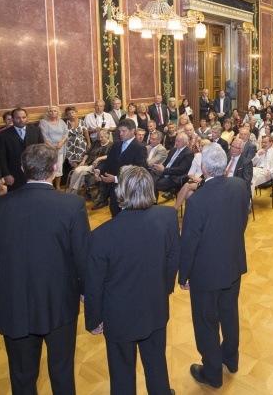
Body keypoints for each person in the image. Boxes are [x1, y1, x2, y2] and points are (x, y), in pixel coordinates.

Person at [0, 144, 90, 395]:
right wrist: (85, 291)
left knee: (21, 375)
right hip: (60, 302)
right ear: (54, 168)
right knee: (62, 372)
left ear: (21, 169)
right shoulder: (72, 205)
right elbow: (82, 254)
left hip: (13, 303)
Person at [84, 166, 179, 394]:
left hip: (119, 316)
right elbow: (174, 256)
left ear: (120, 192)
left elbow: (94, 285)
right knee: (157, 364)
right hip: (155, 307)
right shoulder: (167, 217)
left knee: (122, 373)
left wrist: (93, 319)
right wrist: (163, 289)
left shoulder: (101, 235)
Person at [179, 145, 250, 389]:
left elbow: (189, 243)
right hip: (233, 264)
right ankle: (231, 359)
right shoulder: (241, 186)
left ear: (205, 169)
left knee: (206, 323)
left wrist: (183, 275)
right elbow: (242, 222)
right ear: (226, 165)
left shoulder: (197, 201)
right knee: (229, 314)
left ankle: (212, 374)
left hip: (206, 274)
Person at [94, 119, 148, 216]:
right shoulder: (116, 144)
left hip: (129, 190)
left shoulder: (139, 147)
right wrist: (98, 170)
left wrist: (115, 179)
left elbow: (139, 171)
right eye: (119, 131)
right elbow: (108, 161)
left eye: (124, 131)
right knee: (115, 214)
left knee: (128, 216)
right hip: (114, 189)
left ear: (132, 131)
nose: (121, 134)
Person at [0, 108, 45, 191]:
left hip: (35, 172)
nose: (21, 120)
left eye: (23, 117)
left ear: (27, 118)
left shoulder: (36, 131)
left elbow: (42, 151)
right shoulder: (3, 135)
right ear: (12, 119)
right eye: (18, 118)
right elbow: (1, 157)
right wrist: (6, 174)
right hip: (14, 174)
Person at [66, 130, 112, 197]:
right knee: (77, 170)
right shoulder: (96, 143)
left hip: (98, 166)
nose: (100, 139)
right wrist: (83, 161)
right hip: (89, 163)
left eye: (102, 137)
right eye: (99, 137)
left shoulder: (111, 145)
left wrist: (99, 158)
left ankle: (74, 191)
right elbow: (88, 153)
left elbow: (110, 156)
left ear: (107, 137)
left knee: (83, 172)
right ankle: (70, 190)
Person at [152, 133, 194, 199]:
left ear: (185, 142)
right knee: (151, 175)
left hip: (175, 177)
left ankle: (153, 202)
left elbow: (182, 169)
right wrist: (160, 166)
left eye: (178, 141)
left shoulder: (188, 153)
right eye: (175, 141)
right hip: (165, 172)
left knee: (155, 184)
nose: (176, 143)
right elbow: (166, 163)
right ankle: (153, 200)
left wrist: (164, 169)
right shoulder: (173, 150)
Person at [39, 106, 69, 189]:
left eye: (54, 111)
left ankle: (58, 187)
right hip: (49, 149)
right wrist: (51, 147)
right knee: (50, 168)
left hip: (60, 148)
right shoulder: (43, 122)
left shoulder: (61, 122)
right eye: (50, 111)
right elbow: (44, 135)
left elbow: (66, 133)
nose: (52, 113)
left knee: (59, 168)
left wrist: (61, 143)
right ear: (47, 113)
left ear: (57, 113)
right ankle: (50, 187)